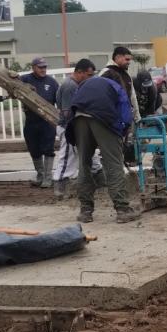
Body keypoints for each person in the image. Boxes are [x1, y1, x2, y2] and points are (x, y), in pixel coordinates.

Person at [67, 75, 139, 224]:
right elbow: (125, 113)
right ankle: (122, 209)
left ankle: (85, 211)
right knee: (113, 163)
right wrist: (123, 131)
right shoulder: (116, 86)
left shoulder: (87, 83)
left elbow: (73, 103)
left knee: (84, 163)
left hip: (78, 118)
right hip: (102, 117)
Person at [53, 59, 104, 199]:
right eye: (89, 75)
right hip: (69, 126)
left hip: (79, 126)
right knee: (68, 156)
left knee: (90, 154)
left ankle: (100, 181)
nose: (90, 78)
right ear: (79, 72)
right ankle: (60, 184)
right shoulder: (70, 86)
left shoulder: (78, 84)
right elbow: (67, 112)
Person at [20, 57, 59, 188]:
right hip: (31, 121)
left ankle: (48, 178)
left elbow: (58, 101)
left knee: (48, 149)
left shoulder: (52, 83)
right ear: (33, 67)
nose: (43, 70)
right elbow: (13, 88)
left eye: (45, 67)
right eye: (40, 67)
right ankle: (40, 175)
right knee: (34, 149)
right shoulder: (25, 79)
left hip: (47, 122)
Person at [101, 46, 141, 124]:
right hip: (110, 121)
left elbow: (133, 97)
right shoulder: (105, 73)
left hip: (125, 120)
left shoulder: (126, 75)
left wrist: (137, 117)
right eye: (127, 59)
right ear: (118, 57)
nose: (129, 62)